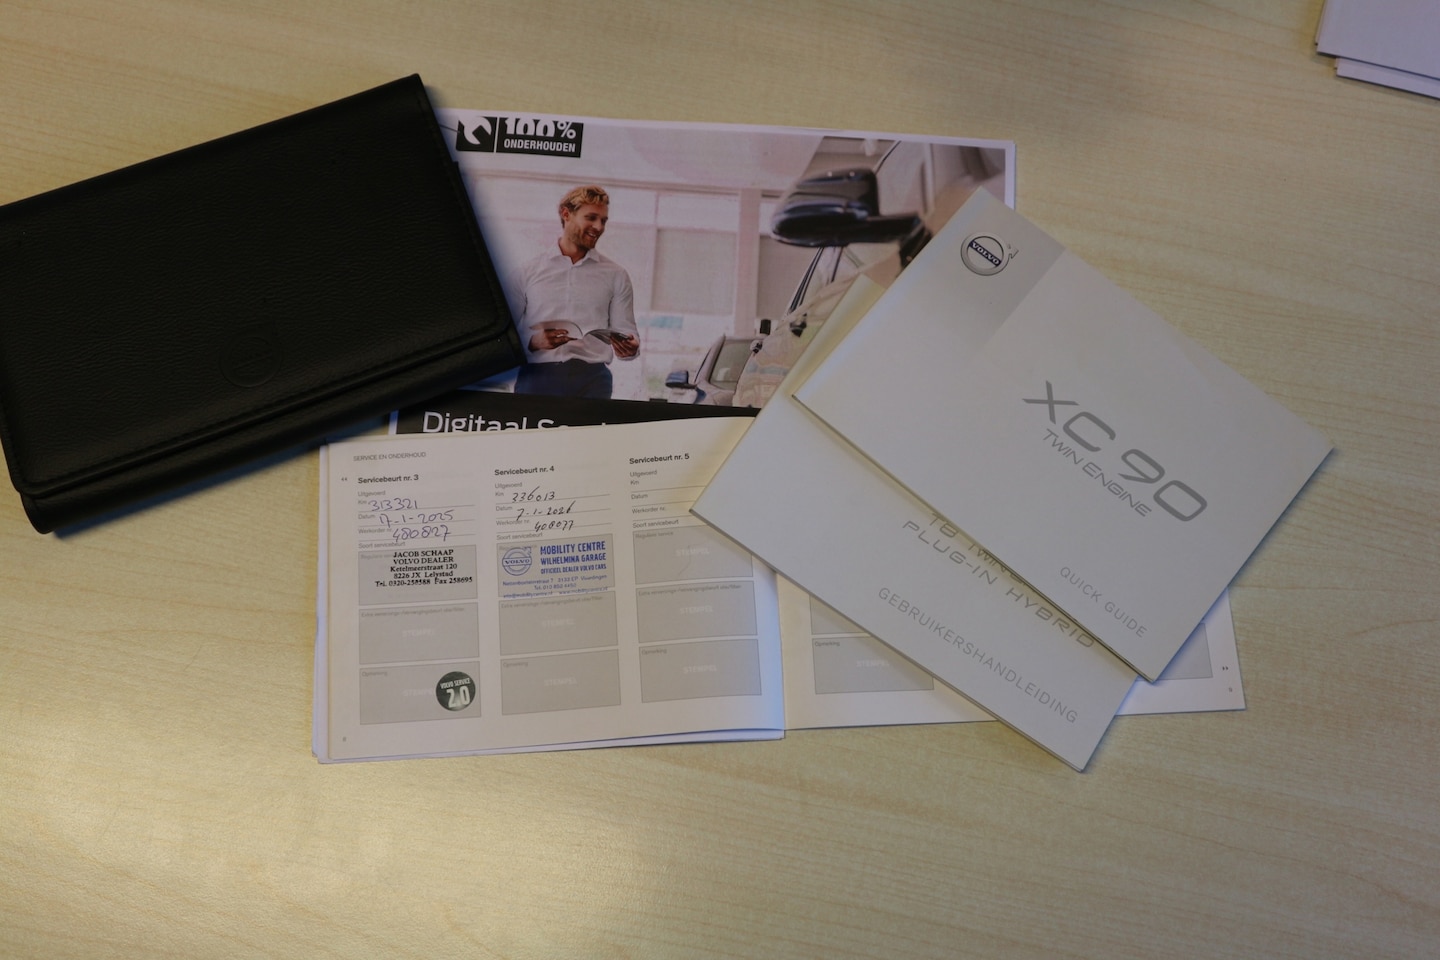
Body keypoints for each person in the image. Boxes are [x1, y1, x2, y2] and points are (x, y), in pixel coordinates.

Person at [510, 185, 639, 398]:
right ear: (566, 214)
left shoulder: (616, 275)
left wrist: (631, 347)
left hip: (593, 382)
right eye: (591, 218)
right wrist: (534, 342)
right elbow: (503, 338)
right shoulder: (527, 273)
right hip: (537, 378)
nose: (598, 227)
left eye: (603, 221)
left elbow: (626, 331)